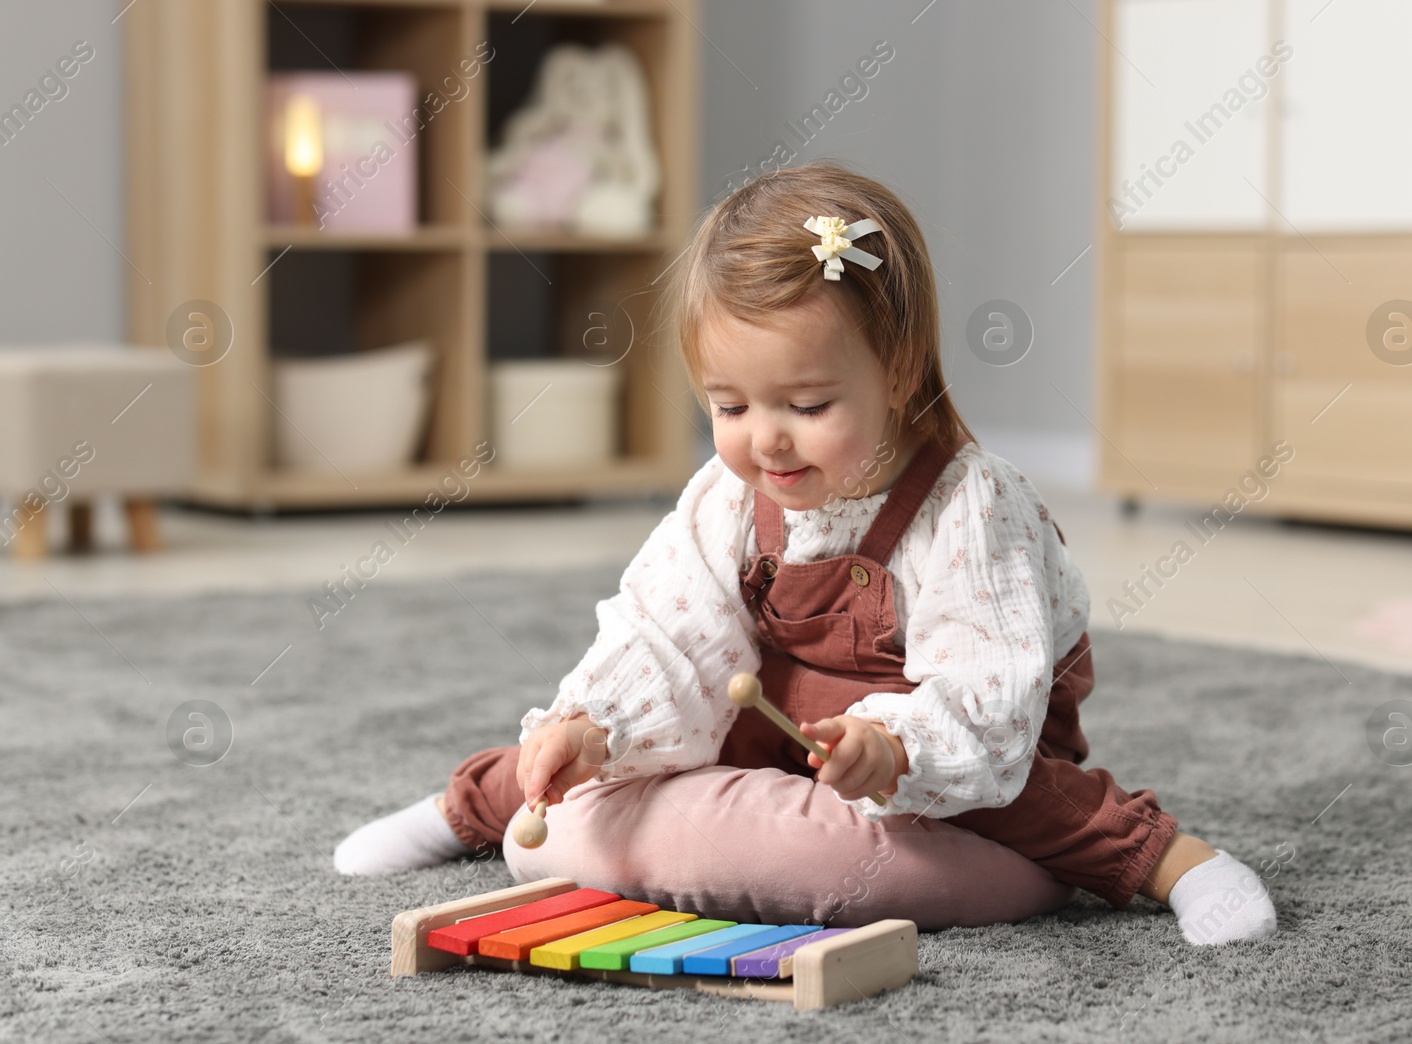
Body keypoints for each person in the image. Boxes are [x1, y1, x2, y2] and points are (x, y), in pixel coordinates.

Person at [334, 160, 1276, 946]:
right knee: (583, 752)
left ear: (898, 370)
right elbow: (672, 638)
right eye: (730, 407)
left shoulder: (967, 505)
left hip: (950, 736)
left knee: (1024, 796)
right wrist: (598, 726)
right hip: (782, 720)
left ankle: (1173, 862)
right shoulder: (727, 497)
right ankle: (473, 804)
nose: (766, 443)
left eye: (808, 406)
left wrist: (897, 744)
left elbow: (990, 693)